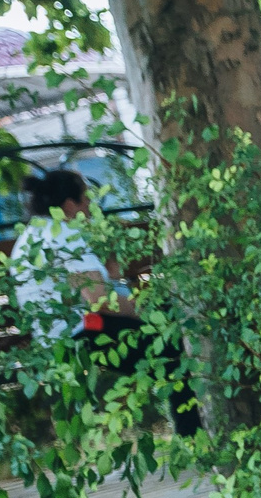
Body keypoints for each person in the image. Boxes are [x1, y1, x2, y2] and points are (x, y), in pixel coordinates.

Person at [10, 169, 203, 438]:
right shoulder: (64, 234)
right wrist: (145, 312)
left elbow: (96, 291)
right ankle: (193, 435)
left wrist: (112, 268)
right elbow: (100, 302)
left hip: (59, 338)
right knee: (170, 343)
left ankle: (192, 435)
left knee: (166, 328)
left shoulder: (31, 236)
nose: (91, 207)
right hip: (83, 333)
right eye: (87, 200)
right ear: (69, 205)